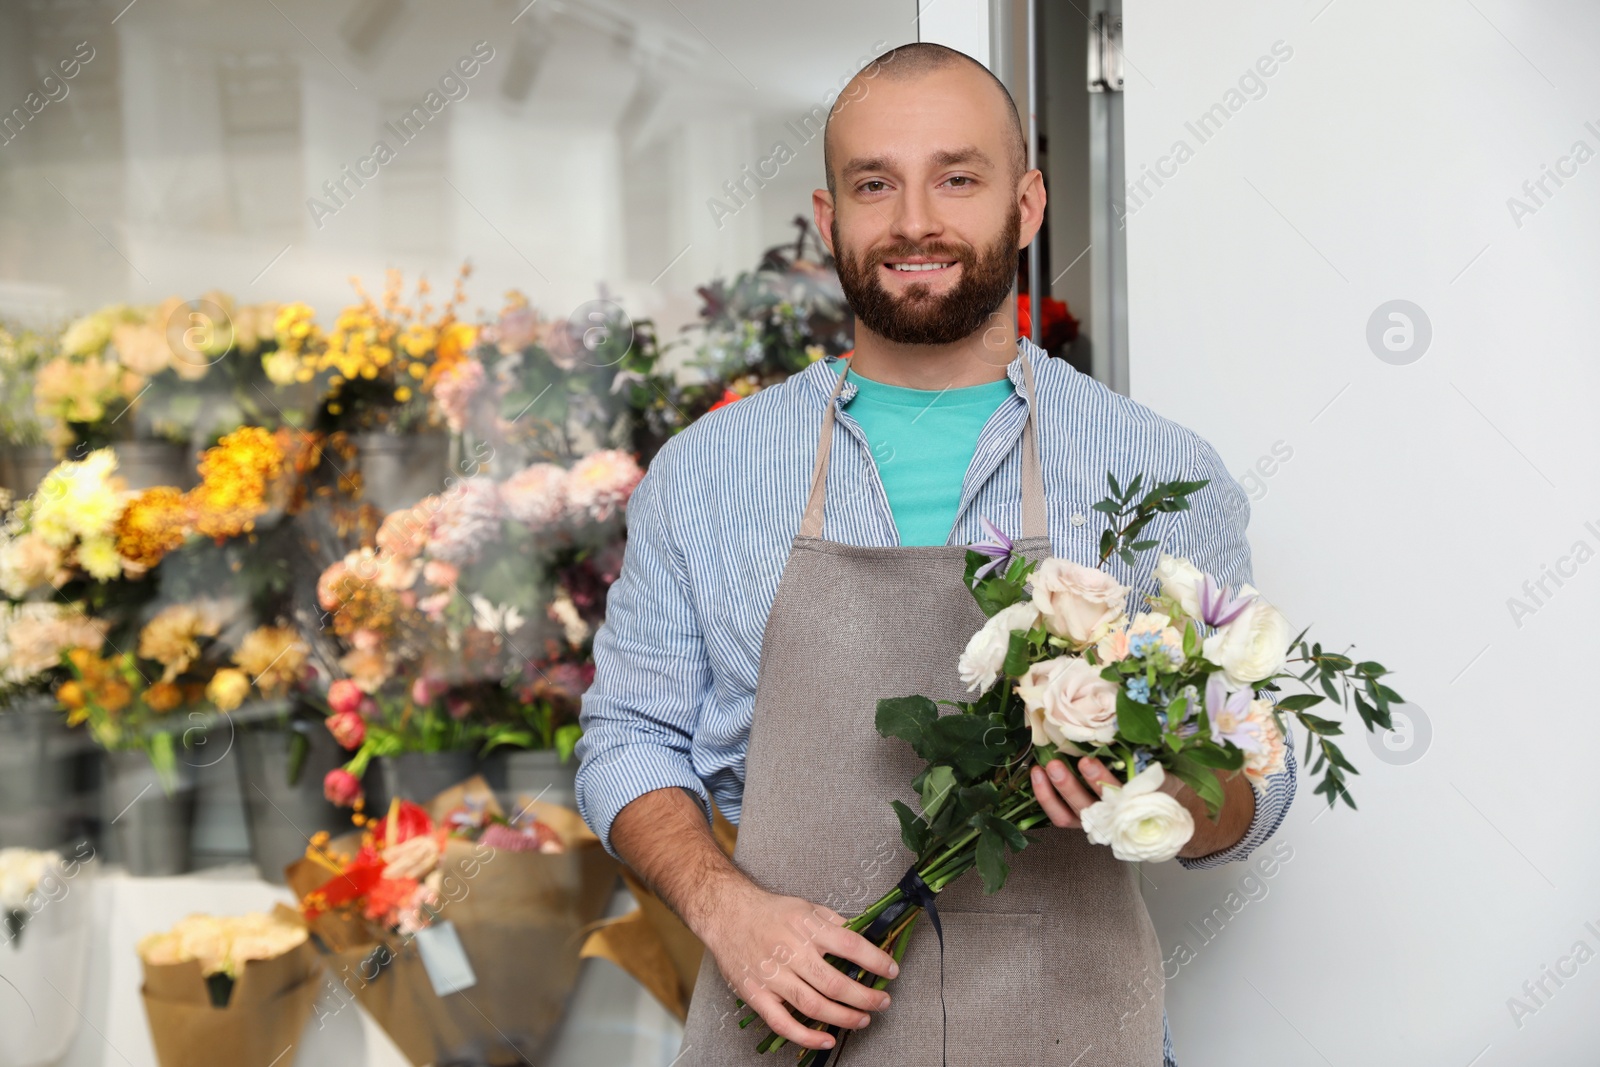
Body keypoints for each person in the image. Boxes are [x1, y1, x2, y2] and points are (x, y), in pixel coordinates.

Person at [576, 41, 1296, 1066]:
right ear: (830, 220)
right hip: (794, 1037)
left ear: (1027, 203)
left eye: (958, 177)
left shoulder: (1155, 467)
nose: (915, 219)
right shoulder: (707, 472)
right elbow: (627, 737)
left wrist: (1164, 790)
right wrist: (726, 909)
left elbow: (1257, 767)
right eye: (875, 184)